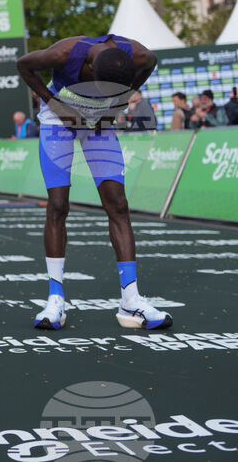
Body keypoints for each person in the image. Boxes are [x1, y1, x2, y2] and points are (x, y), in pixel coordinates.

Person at [16, 34, 172, 330]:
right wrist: (54, 103)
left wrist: (116, 105)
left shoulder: (137, 54)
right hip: (59, 119)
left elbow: (151, 62)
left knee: (118, 205)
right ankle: (55, 298)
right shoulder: (63, 53)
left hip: (99, 122)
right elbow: (23, 65)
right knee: (58, 205)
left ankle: (130, 299)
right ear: (88, 66)